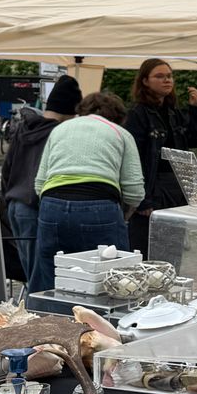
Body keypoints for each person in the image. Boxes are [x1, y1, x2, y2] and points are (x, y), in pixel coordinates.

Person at [30, 92, 145, 292]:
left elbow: (40, 182)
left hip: (52, 204)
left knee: (52, 276)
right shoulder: (120, 133)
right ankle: (101, 321)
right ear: (119, 116)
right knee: (114, 277)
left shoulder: (60, 129)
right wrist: (124, 215)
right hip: (99, 206)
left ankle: (44, 318)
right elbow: (135, 190)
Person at [0, 75, 81, 285]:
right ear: (70, 111)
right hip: (36, 206)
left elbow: (7, 169)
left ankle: (32, 310)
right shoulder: (59, 134)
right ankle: (38, 315)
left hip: (15, 205)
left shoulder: (24, 127)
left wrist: (9, 198)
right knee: (43, 276)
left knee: (31, 271)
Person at [122, 58, 197, 254]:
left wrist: (195, 109)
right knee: (146, 250)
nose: (167, 80)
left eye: (169, 76)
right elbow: (134, 159)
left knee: (172, 248)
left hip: (176, 189)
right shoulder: (138, 114)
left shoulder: (173, 112)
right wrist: (142, 200)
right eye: (160, 76)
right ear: (145, 81)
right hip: (152, 189)